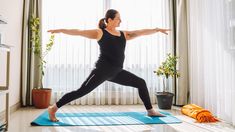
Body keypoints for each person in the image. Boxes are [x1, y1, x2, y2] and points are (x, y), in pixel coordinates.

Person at [47, 9, 170, 122]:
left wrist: (157, 29)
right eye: (118, 18)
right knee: (81, 91)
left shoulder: (123, 34)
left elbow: (140, 32)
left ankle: (150, 111)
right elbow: (80, 32)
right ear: (110, 20)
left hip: (117, 72)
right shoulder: (100, 33)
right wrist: (61, 30)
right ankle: (53, 108)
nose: (120, 21)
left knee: (141, 82)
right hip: (101, 71)